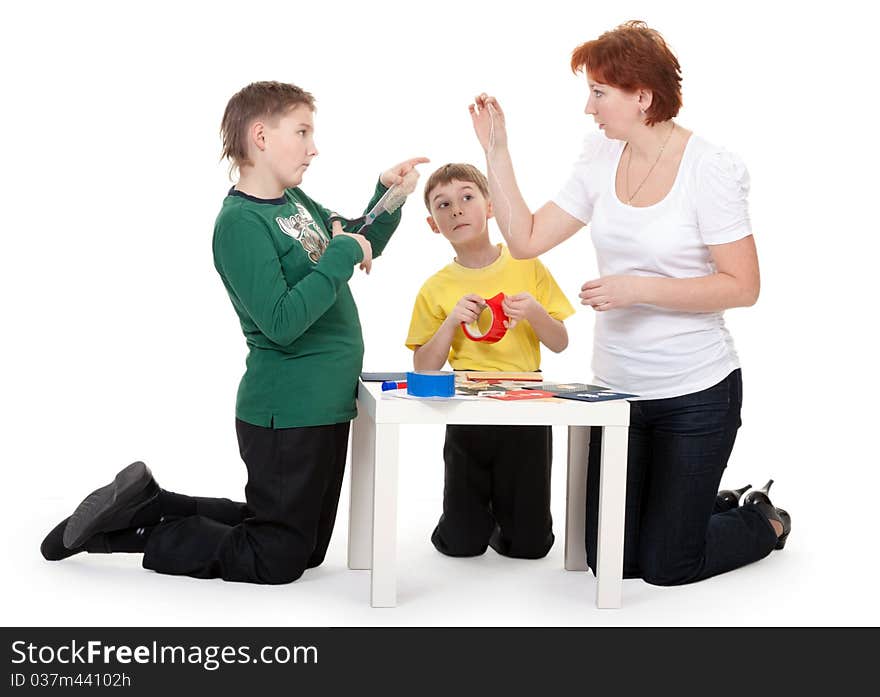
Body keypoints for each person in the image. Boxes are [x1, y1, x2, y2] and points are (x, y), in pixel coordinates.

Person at [40, 81, 428, 584]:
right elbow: (284, 322)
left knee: (303, 549)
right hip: (287, 410)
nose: (315, 148)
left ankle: (155, 504)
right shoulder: (240, 223)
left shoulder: (295, 202)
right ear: (261, 135)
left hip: (327, 404)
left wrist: (386, 196)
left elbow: (355, 240)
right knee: (278, 557)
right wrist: (342, 253)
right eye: (303, 132)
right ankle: (129, 533)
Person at [467, 21, 790, 586]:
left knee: (668, 566)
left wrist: (638, 288)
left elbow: (743, 285)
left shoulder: (708, 168)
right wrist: (496, 150)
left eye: (598, 93)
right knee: (612, 559)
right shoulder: (600, 154)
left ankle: (763, 521)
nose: (588, 109)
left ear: (642, 96)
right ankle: (691, 508)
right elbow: (528, 238)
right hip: (619, 393)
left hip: (697, 393)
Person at [406, 163, 574, 559]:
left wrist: (534, 312)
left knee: (532, 547)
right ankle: (472, 519)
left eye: (467, 197)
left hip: (526, 405)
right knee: (460, 545)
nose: (457, 210)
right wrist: (450, 323)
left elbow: (561, 343)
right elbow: (423, 368)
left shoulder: (526, 264)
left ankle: (505, 520)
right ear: (434, 225)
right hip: (468, 405)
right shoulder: (435, 288)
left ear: (491, 207)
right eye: (443, 205)